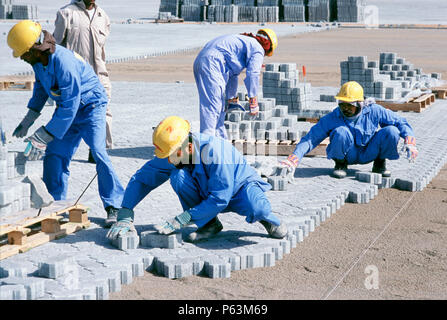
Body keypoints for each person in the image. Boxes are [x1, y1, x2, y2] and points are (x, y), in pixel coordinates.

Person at [8, 20, 124, 227]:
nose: (23, 59)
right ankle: (55, 204)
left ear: (35, 48)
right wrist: (29, 119)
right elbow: (42, 89)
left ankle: (115, 205)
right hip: (68, 109)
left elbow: (71, 105)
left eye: (24, 53)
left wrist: (44, 134)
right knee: (55, 154)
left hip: (91, 107)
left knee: (98, 151)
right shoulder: (38, 61)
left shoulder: (64, 62)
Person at [106, 116, 288, 243]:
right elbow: (143, 179)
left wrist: (184, 218)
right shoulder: (175, 153)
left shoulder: (216, 153)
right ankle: (209, 224)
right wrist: (125, 212)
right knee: (178, 176)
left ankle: (267, 220)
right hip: (209, 189)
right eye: (167, 156)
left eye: (171, 155)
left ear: (188, 145)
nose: (169, 160)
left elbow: (220, 198)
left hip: (239, 190)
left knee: (258, 207)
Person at [280, 81, 418, 179]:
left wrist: (410, 141)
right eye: (342, 104)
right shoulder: (334, 117)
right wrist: (294, 158)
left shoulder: (374, 111)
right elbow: (311, 139)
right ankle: (340, 165)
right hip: (347, 155)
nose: (345, 108)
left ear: (360, 103)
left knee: (392, 131)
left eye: (349, 105)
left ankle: (379, 163)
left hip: (370, 153)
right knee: (340, 132)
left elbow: (401, 122)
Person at [53, 0, 113, 164]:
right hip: (76, 77)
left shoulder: (103, 16)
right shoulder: (66, 13)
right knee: (69, 111)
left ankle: (98, 151)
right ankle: (60, 151)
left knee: (104, 111)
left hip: (99, 75)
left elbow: (102, 50)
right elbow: (55, 47)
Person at [193, 29, 278, 139]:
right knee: (212, 107)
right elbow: (253, 74)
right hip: (213, 63)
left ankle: (221, 143)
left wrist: (231, 98)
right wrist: (253, 101)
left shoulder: (243, 42)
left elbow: (232, 75)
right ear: (267, 47)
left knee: (218, 107)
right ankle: (206, 146)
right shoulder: (258, 49)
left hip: (202, 60)